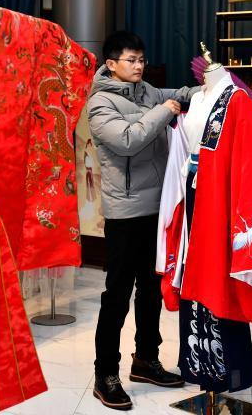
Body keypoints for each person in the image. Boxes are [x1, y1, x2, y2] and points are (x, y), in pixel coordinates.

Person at [87, 31, 198, 410]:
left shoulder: (148, 91)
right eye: (131, 60)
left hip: (159, 209)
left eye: (141, 60)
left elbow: (181, 94)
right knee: (117, 296)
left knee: (151, 290)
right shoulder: (100, 103)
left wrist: (212, 86)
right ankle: (106, 374)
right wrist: (166, 110)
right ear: (111, 63)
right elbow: (129, 140)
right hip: (126, 211)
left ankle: (146, 360)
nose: (139, 66)